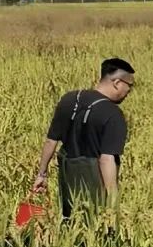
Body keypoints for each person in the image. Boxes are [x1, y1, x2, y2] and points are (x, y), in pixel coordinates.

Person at [32, 58, 134, 218]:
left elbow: (51, 141)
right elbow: (106, 159)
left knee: (68, 223)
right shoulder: (113, 115)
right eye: (129, 86)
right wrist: (113, 204)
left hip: (66, 183)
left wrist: (41, 174)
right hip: (94, 186)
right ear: (117, 82)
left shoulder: (69, 99)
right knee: (93, 233)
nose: (129, 91)